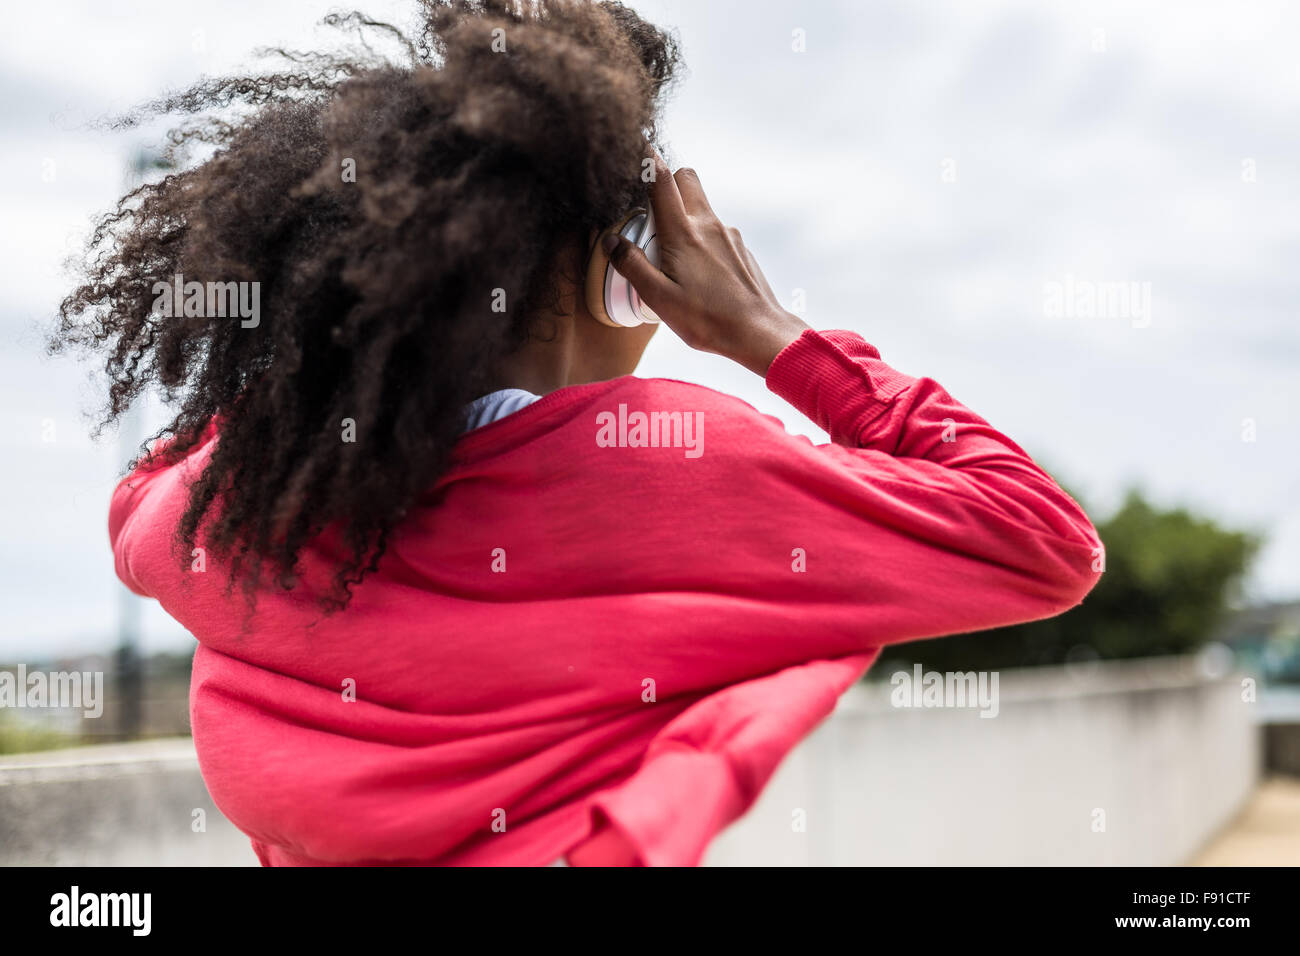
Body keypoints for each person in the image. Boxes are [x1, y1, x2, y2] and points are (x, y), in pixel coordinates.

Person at [55, 0, 1101, 866]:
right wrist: (771, 335)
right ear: (622, 269)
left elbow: (148, 485)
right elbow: (1041, 537)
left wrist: (324, 358)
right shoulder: (678, 466)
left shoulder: (242, 505)